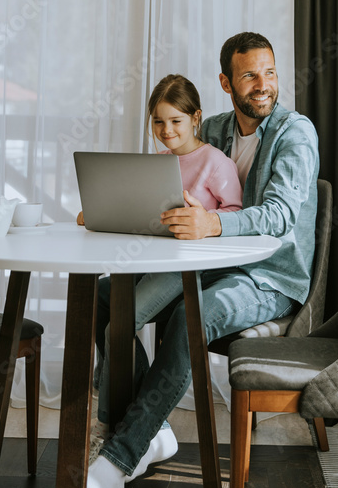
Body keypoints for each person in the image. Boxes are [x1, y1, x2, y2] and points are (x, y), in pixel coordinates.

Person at [83, 31, 319, 488]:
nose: (263, 85)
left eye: (270, 73)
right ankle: (152, 431)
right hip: (210, 265)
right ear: (226, 83)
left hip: (269, 278)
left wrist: (213, 222)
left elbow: (280, 215)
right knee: (104, 297)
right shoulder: (212, 129)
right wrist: (115, 206)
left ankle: (119, 456)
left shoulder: (295, 133)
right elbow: (169, 185)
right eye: (249, 75)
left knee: (192, 315)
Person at [91, 73, 243, 460]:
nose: (166, 130)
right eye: (158, 122)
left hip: (188, 269)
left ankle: (108, 426)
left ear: (196, 118)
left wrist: (204, 218)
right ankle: (152, 425)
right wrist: (102, 212)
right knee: (98, 296)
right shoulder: (157, 165)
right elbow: (142, 214)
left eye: (175, 120)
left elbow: (235, 216)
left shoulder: (215, 162)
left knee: (117, 327)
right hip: (153, 260)